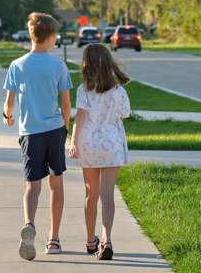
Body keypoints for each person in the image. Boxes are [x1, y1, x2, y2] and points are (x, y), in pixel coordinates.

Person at [3, 12, 72, 261]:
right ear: (51, 37)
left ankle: (29, 225)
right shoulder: (58, 66)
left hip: (30, 133)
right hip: (54, 131)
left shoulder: (17, 65)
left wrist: (6, 116)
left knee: (33, 185)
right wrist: (65, 129)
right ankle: (53, 239)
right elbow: (66, 104)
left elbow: (9, 103)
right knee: (56, 184)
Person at [68, 43, 131, 260]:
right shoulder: (119, 91)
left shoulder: (83, 90)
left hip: (89, 147)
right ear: (108, 63)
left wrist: (73, 142)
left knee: (90, 195)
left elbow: (80, 117)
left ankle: (90, 240)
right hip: (111, 147)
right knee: (107, 195)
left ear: (87, 64)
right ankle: (107, 239)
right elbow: (122, 116)